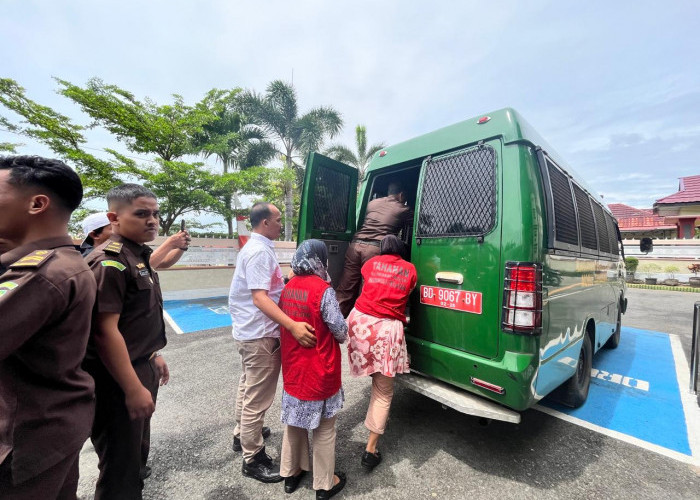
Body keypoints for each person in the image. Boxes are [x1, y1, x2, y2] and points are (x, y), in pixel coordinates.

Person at [0, 156, 96, 498]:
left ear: (38, 203)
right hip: (52, 425)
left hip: (24, 435)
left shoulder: (42, 273)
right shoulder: (58, 263)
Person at [83, 183, 170, 500]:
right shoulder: (110, 263)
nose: (152, 220)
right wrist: (133, 387)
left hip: (139, 366)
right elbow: (105, 331)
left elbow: (133, 321)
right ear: (114, 217)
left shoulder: (137, 255)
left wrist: (153, 355)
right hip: (118, 380)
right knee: (120, 468)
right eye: (142, 213)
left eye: (155, 214)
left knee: (135, 456)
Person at [228, 202, 316, 483]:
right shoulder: (258, 253)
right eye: (278, 220)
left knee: (248, 384)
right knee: (258, 397)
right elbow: (259, 297)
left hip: (250, 331)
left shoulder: (259, 247)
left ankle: (242, 434)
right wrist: (292, 325)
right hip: (260, 334)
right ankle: (253, 458)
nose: (282, 223)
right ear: (265, 223)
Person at [278, 240, 348, 500]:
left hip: (295, 369)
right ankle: (323, 483)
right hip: (320, 370)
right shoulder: (323, 290)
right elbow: (339, 331)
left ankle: (290, 473)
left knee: (293, 423)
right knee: (324, 429)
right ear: (320, 260)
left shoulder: (287, 288)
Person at [346, 235, 417, 471]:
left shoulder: (369, 264)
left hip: (360, 324)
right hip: (386, 330)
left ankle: (372, 371)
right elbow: (410, 293)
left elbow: (367, 285)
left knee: (370, 368)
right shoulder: (410, 269)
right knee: (383, 393)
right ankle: (370, 450)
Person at [335, 182, 413, 316]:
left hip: (355, 246)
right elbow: (419, 224)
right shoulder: (403, 209)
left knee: (345, 289)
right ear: (401, 195)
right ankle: (362, 328)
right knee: (367, 291)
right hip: (375, 250)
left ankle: (334, 325)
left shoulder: (372, 203)